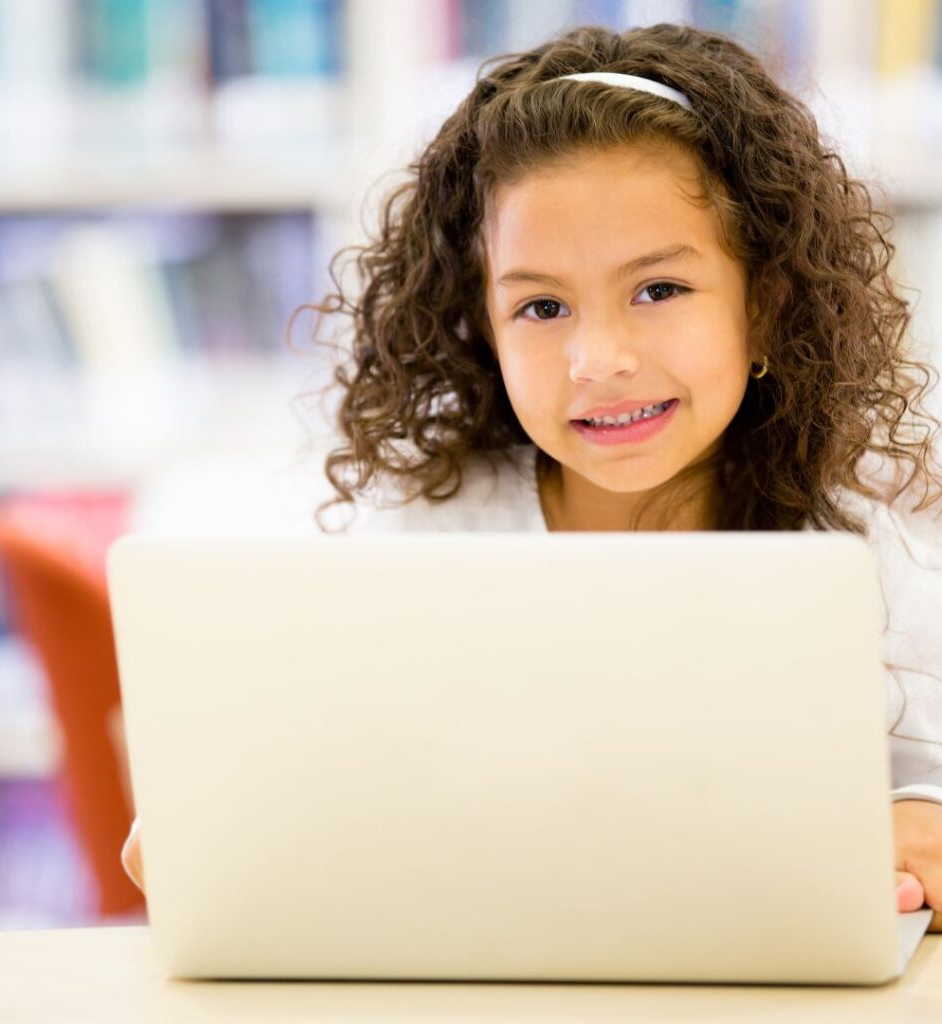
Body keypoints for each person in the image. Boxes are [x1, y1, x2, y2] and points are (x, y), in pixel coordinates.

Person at [122, 22, 942, 930]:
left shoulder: (870, 556)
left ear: (766, 302)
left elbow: (927, 791)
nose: (598, 358)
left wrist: (920, 823)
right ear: (483, 326)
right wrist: (210, 826)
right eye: (541, 307)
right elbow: (303, 773)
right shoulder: (423, 538)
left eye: (658, 290)